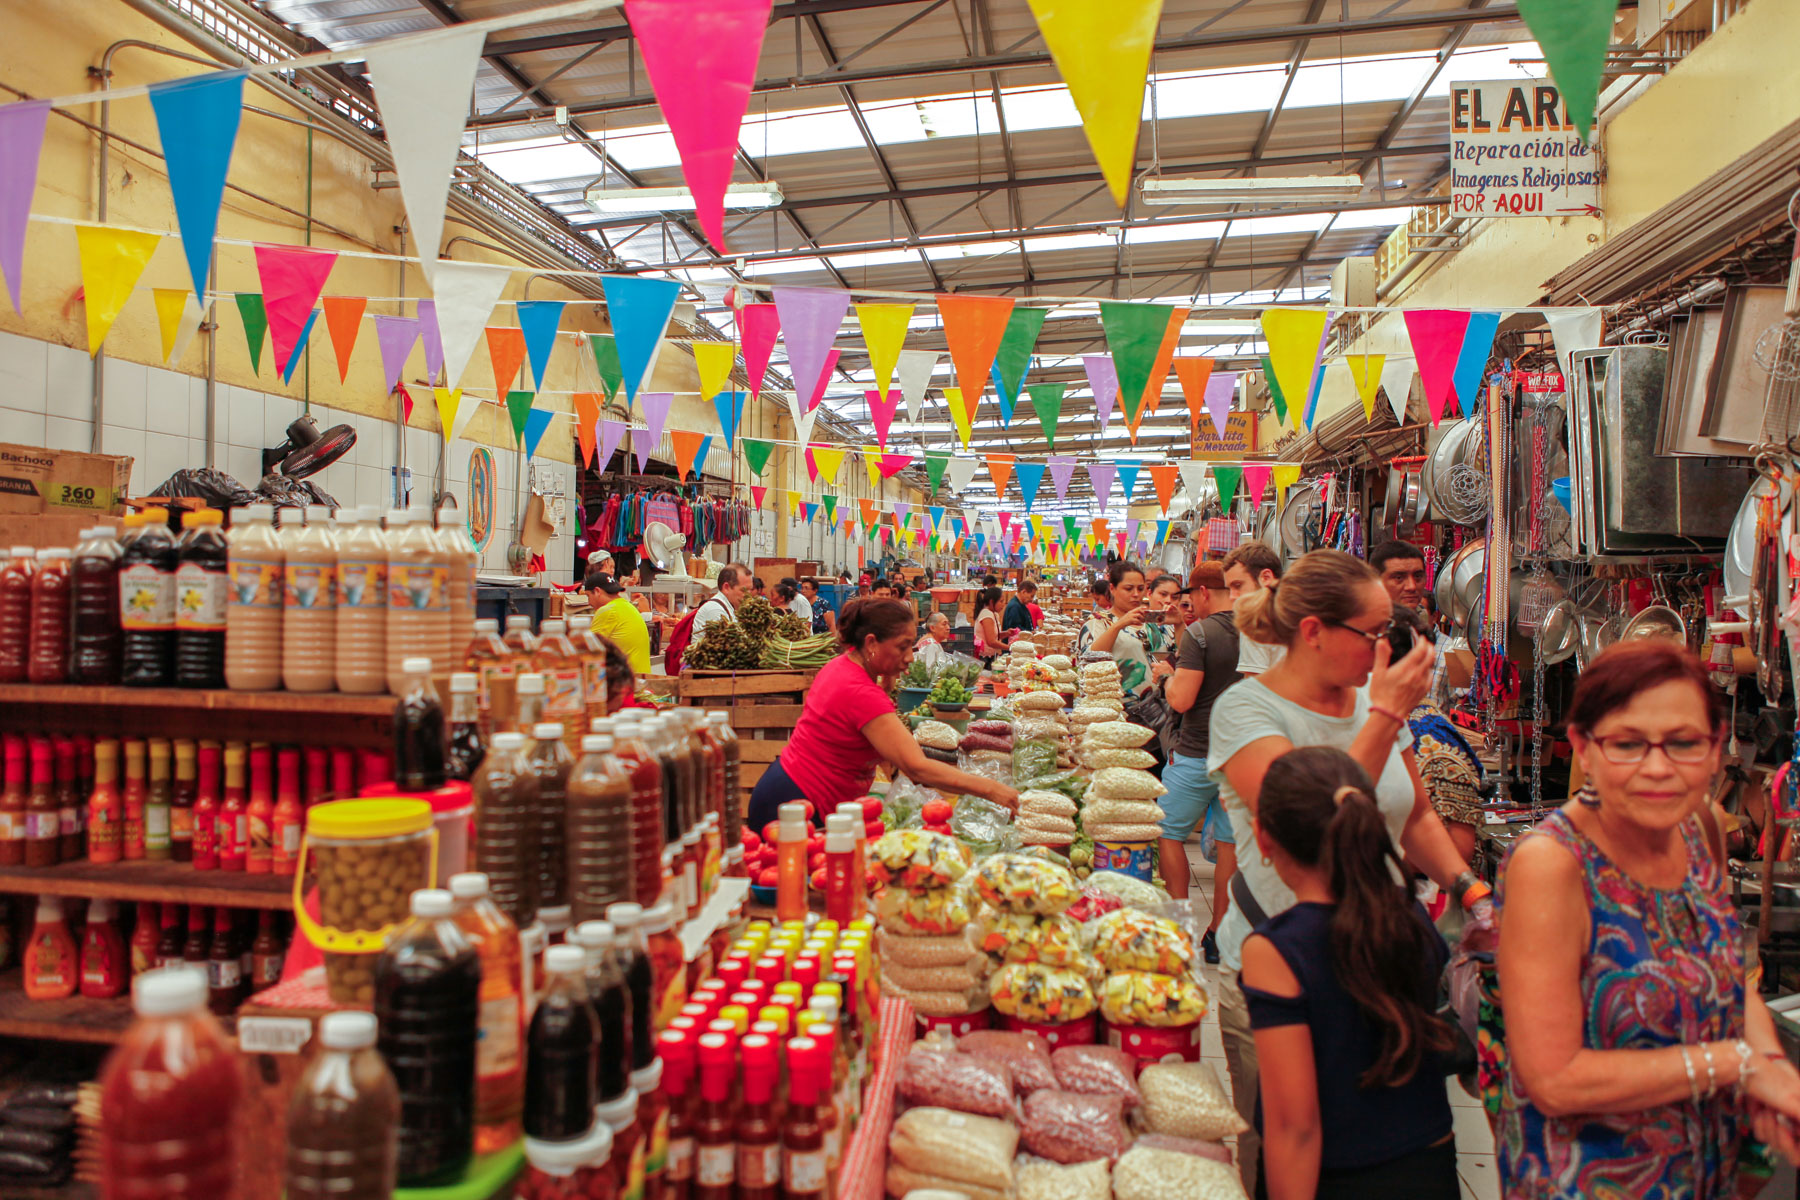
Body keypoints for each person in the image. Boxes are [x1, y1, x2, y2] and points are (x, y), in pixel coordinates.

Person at [1208, 549, 1489, 1196]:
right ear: (1314, 632)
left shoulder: (1372, 700)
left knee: (1390, 1145)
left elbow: (1413, 814)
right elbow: (1309, 818)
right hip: (1284, 965)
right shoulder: (1247, 713)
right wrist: (1388, 716)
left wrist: (1470, 892)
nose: (1385, 648)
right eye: (1374, 633)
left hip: (1382, 962)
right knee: (1289, 1150)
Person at [1495, 641, 1800, 1197]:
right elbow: (1554, 1079)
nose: (1658, 768)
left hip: (1707, 1168)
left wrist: (1774, 1072)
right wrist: (1736, 1064)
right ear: (1584, 748)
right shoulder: (1553, 865)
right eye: (1628, 744)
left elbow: (1731, 980)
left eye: (1684, 743)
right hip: (1593, 1177)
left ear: (1715, 751)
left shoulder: (1697, 827)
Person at [1244, 746, 1461, 1200]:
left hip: (1335, 1176)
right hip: (1428, 1164)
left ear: (1263, 838)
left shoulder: (1277, 949)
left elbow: (1296, 1128)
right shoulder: (1411, 917)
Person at [747, 597, 1019, 831]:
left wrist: (887, 683)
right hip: (797, 804)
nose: (910, 656)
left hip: (791, 791)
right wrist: (993, 790)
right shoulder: (860, 691)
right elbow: (917, 767)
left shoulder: (842, 666)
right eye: (903, 646)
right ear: (871, 642)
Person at [1163, 562, 1240, 958]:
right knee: (1229, 846)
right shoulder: (1258, 632)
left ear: (1204, 592)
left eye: (1189, 596)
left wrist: (1165, 677)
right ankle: (1219, 936)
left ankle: (1179, 926)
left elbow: (1182, 699)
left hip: (1195, 752)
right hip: (1238, 758)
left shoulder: (1200, 634)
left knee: (1168, 833)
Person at [1076, 560, 1174, 697]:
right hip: (1115, 710)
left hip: (1158, 709)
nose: (1136, 594)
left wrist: (1180, 623)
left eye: (1140, 589)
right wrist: (1119, 625)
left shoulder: (1155, 624)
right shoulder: (1099, 623)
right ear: (1112, 589)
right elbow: (1088, 660)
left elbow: (1180, 657)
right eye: (1128, 589)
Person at [1223, 542, 1285, 676]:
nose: (1232, 596)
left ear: (1266, 578)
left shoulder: (1256, 619)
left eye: (1238, 585)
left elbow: (1255, 688)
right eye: (1229, 589)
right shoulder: (1300, 609)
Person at [585, 570, 651, 676]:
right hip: (639, 680)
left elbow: (589, 651)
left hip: (625, 683)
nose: (589, 602)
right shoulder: (628, 606)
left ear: (597, 591)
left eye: (588, 596)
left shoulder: (608, 610)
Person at [1369, 540, 1429, 611]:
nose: (1412, 587)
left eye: (1417, 576)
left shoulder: (1423, 616)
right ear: (1376, 581)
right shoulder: (1359, 620)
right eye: (1399, 578)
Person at [692, 565, 745, 637]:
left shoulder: (728, 606)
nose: (748, 594)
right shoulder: (715, 610)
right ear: (726, 587)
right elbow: (725, 643)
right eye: (744, 589)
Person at [973, 587, 1007, 662]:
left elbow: (994, 635)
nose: (1003, 604)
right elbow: (991, 641)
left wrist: (1007, 633)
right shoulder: (986, 614)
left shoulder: (994, 614)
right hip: (984, 658)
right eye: (1001, 601)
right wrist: (1009, 647)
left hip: (991, 655)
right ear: (992, 602)